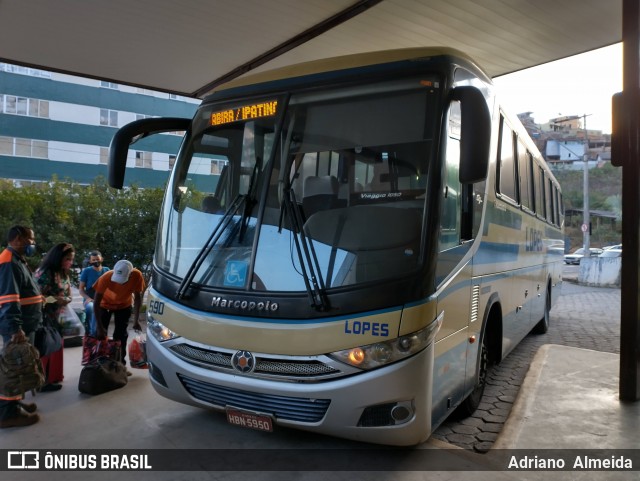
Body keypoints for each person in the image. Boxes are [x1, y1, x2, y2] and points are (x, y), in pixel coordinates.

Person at [0, 226, 42, 428]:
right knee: (14, 368)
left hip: (25, 322)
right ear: (18, 238)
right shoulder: (9, 262)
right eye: (30, 239)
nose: (32, 243)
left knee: (21, 366)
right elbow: (9, 299)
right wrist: (15, 328)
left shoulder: (16, 259)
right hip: (19, 326)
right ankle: (7, 414)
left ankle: (14, 401)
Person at [35, 243, 75, 392]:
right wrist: (54, 299)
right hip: (44, 317)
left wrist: (68, 299)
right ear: (58, 258)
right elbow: (37, 297)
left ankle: (54, 377)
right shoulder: (45, 273)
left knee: (56, 345)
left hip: (59, 317)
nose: (70, 262)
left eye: (71, 259)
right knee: (46, 346)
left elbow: (69, 293)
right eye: (67, 259)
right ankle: (42, 381)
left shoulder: (63, 273)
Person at [93, 259, 144, 368]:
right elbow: (96, 303)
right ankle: (101, 365)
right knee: (101, 335)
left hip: (124, 306)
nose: (119, 283)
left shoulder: (137, 275)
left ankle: (120, 365)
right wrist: (99, 326)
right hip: (104, 305)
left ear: (130, 275)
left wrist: (136, 320)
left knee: (120, 336)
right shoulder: (105, 277)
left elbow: (138, 298)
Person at [78, 250, 109, 336]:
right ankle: (92, 334)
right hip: (90, 299)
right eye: (93, 260)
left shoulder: (107, 270)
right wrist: (87, 298)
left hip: (104, 300)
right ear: (90, 261)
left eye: (97, 259)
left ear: (101, 259)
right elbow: (81, 289)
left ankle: (102, 334)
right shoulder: (87, 271)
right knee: (92, 309)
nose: (96, 261)